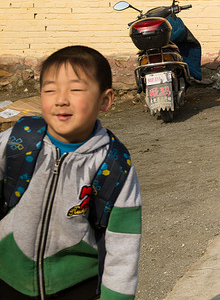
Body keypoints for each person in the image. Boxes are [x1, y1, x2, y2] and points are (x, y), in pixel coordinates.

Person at [0, 45, 142, 299]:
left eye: (75, 90)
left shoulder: (115, 164)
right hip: (8, 277)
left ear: (105, 100)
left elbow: (123, 244)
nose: (60, 99)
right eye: (50, 90)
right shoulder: (18, 140)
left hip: (76, 285)